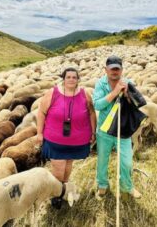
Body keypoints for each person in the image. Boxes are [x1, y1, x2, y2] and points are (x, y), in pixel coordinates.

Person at [36, 67, 96, 208]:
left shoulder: (84, 94)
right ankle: (56, 196)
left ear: (78, 79)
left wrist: (93, 132)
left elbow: (92, 113)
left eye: (74, 77)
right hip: (55, 140)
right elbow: (41, 112)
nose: (71, 79)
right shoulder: (53, 93)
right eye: (68, 77)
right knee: (58, 169)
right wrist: (39, 133)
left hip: (77, 140)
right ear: (63, 78)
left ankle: (63, 189)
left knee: (68, 164)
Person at [92, 55, 141, 199]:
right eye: (112, 69)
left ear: (121, 70)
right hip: (105, 130)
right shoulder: (101, 84)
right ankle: (102, 185)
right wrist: (114, 92)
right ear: (106, 69)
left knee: (126, 162)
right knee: (102, 160)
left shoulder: (128, 83)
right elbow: (97, 104)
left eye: (117, 69)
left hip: (122, 130)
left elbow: (138, 103)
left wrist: (127, 94)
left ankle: (127, 186)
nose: (115, 72)